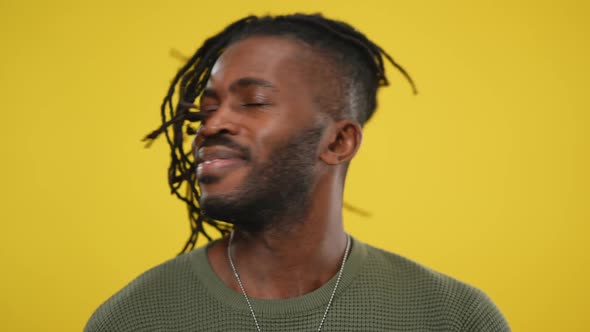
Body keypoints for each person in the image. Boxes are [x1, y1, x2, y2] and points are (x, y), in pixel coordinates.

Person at [85, 13, 510, 331]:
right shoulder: (134, 318)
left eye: (252, 101)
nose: (211, 126)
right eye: (208, 109)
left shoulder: (452, 317)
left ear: (338, 142)